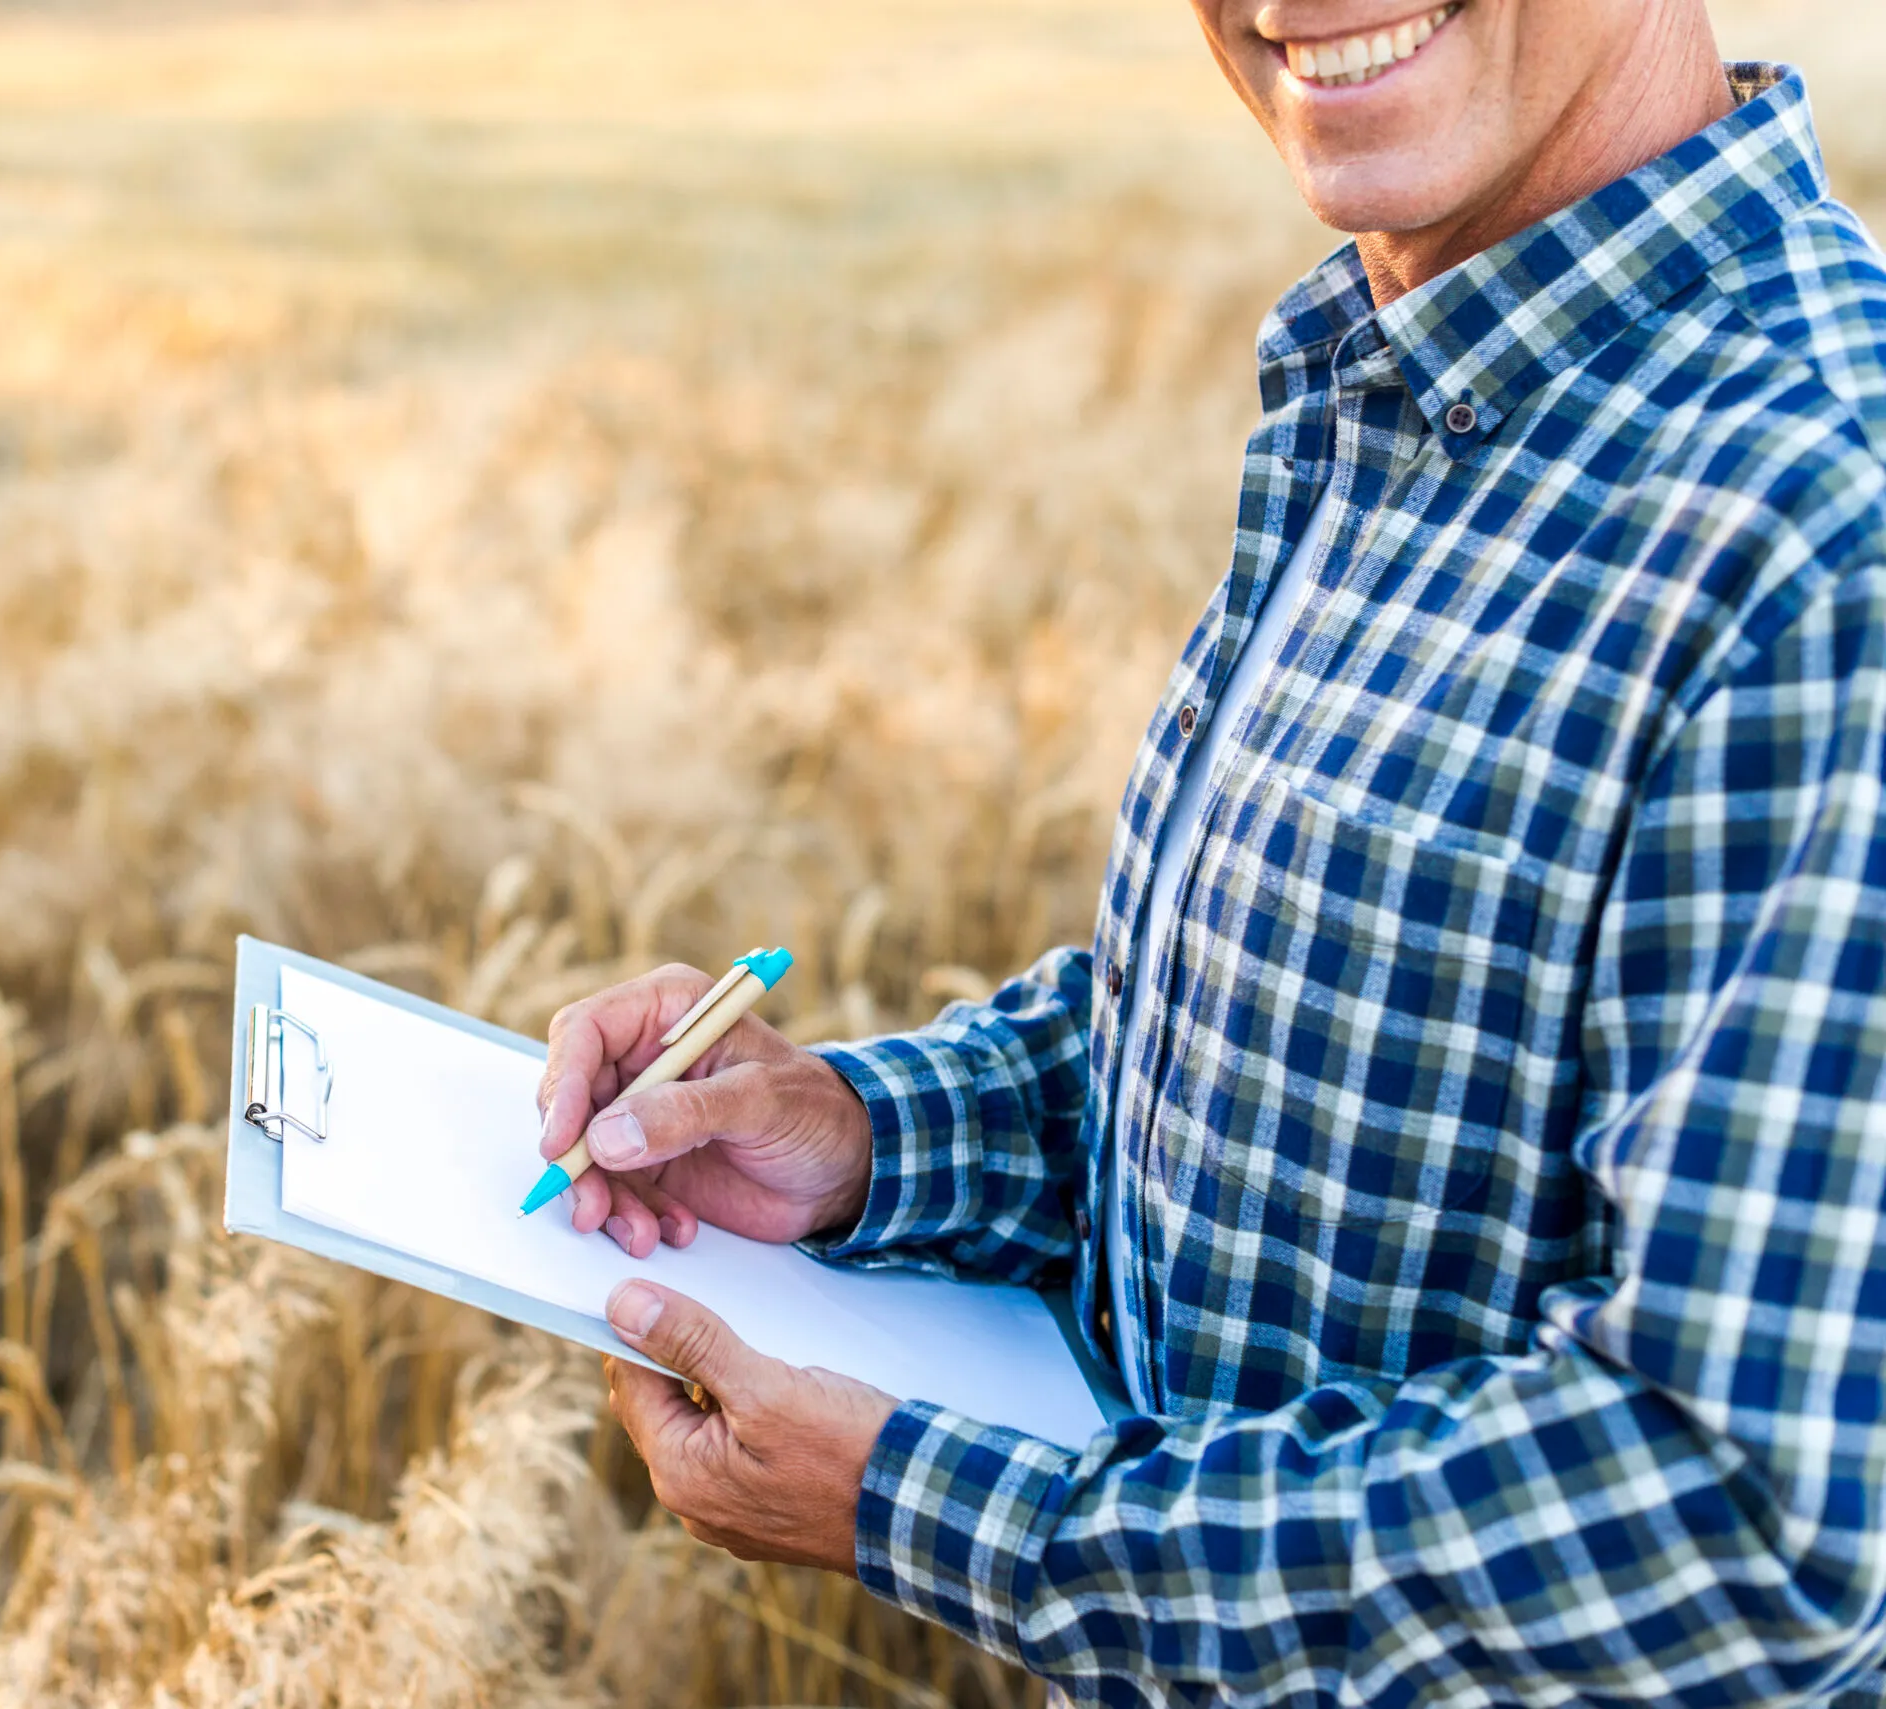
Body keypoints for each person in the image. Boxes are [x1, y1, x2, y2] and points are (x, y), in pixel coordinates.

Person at [533, 3, 1886, 1704]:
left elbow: (1742, 1524)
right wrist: (873, 1140)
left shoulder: (1827, 536)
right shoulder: (1401, 383)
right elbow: (1301, 1056)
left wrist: (931, 1508)